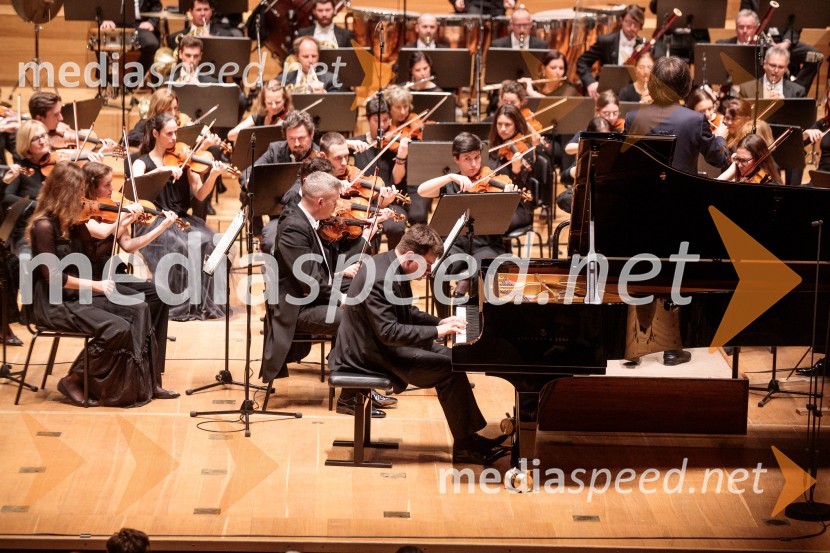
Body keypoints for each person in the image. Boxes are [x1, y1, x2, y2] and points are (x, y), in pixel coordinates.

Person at [330, 224, 509, 465]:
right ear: (410, 256)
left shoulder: (390, 263)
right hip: (366, 355)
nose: (431, 270)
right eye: (428, 264)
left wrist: (439, 321)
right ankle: (466, 447)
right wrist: (437, 331)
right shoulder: (381, 279)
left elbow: (406, 312)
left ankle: (469, 439)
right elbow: (389, 332)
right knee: (449, 370)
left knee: (453, 359)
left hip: (377, 344)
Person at [26, 162, 177, 407]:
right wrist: (96, 286)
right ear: (64, 193)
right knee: (118, 327)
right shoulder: (43, 227)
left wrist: (126, 223)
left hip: (80, 294)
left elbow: (96, 251)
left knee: (140, 309)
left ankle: (143, 382)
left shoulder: (74, 222)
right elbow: (53, 277)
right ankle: (74, 379)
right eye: (78, 193)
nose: (83, 199)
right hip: (55, 303)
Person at [131, 113, 226, 321]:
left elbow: (200, 194)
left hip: (181, 219)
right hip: (155, 220)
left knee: (211, 242)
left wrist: (213, 176)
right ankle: (176, 303)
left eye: (176, 133)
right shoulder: (142, 162)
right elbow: (136, 187)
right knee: (180, 246)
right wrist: (164, 170)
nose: (175, 138)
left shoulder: (184, 159)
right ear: (155, 134)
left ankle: (201, 304)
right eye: (169, 133)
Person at [260, 172, 343, 384]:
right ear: (320, 202)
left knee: (361, 294)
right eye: (334, 201)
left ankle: (350, 376)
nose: (337, 206)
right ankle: (351, 386)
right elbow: (310, 282)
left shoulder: (302, 216)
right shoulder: (294, 227)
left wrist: (339, 277)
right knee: (354, 317)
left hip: (307, 297)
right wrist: (341, 299)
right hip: (297, 307)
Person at [417, 132, 520, 297]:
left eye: (477, 157)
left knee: (483, 270)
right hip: (455, 245)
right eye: (467, 159)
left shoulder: (493, 183)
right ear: (456, 159)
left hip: (486, 245)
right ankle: (444, 312)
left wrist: (507, 198)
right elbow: (421, 191)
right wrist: (450, 176)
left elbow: (507, 219)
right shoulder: (451, 184)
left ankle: (474, 309)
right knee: (438, 269)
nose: (474, 164)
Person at [625, 56, 729, 175]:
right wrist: (720, 138)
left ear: (652, 84)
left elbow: (625, 160)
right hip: (682, 186)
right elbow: (719, 160)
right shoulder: (696, 120)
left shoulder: (632, 118)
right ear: (686, 85)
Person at [354, 96, 408, 249]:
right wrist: (349, 143)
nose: (382, 126)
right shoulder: (358, 143)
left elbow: (397, 180)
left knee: (396, 227)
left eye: (385, 120)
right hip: (363, 203)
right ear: (367, 120)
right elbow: (332, 147)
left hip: (390, 202)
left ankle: (394, 260)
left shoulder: (394, 146)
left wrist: (401, 157)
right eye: (376, 121)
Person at [738, 1, 820, 92]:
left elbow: (796, 21)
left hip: (785, 41)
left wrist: (786, 42)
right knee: (770, 55)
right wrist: (767, 43)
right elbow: (745, 21)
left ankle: (794, 92)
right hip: (761, 41)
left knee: (815, 56)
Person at [577, 5, 655, 99]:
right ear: (621, 20)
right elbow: (582, 62)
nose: (631, 27)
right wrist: (590, 82)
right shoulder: (606, 41)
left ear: (641, 25)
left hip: (632, 97)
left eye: (636, 24)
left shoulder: (644, 47)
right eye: (628, 22)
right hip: (608, 95)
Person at [101, 1, 162, 77]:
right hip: (115, 24)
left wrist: (151, 22)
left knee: (151, 43)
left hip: (139, 25)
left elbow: (156, 5)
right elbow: (100, 4)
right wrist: (105, 18)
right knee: (98, 40)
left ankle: (134, 79)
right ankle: (105, 77)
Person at [227, 80, 292, 142]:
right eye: (269, 103)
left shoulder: (290, 118)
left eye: (278, 102)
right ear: (264, 101)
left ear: (285, 100)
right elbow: (230, 135)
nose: (274, 106)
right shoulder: (259, 116)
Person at [739, 46, 806, 100]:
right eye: (772, 65)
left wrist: (785, 104)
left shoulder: (798, 92)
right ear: (765, 64)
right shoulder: (746, 89)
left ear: (786, 68)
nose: (776, 70)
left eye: (781, 67)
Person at [717, 133, 782, 183]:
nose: (739, 165)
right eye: (737, 159)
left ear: (758, 159)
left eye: (744, 160)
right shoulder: (743, 178)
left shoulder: (770, 184)